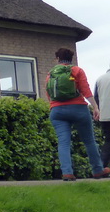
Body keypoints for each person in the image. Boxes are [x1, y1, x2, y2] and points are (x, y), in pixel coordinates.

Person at [47, 47, 110, 181]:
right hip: (78, 109)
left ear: (57, 59)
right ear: (71, 59)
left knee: (63, 142)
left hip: (57, 111)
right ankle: (98, 170)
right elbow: (85, 90)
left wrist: (53, 107)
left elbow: (49, 93)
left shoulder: (51, 73)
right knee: (89, 141)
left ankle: (67, 173)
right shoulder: (77, 70)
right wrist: (95, 107)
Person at [94, 63, 110, 169]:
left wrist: (97, 111)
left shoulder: (100, 79)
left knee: (108, 141)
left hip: (105, 116)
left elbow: (96, 98)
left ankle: (101, 167)